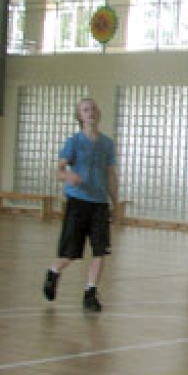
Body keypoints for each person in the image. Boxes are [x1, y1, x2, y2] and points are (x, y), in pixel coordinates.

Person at [42, 97, 119, 313]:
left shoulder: (107, 144)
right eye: (86, 110)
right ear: (80, 116)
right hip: (77, 202)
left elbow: (111, 174)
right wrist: (68, 175)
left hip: (99, 203)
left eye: (93, 108)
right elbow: (58, 170)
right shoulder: (73, 142)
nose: (90, 112)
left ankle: (91, 292)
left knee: (99, 250)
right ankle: (53, 273)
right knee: (69, 254)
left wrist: (115, 202)